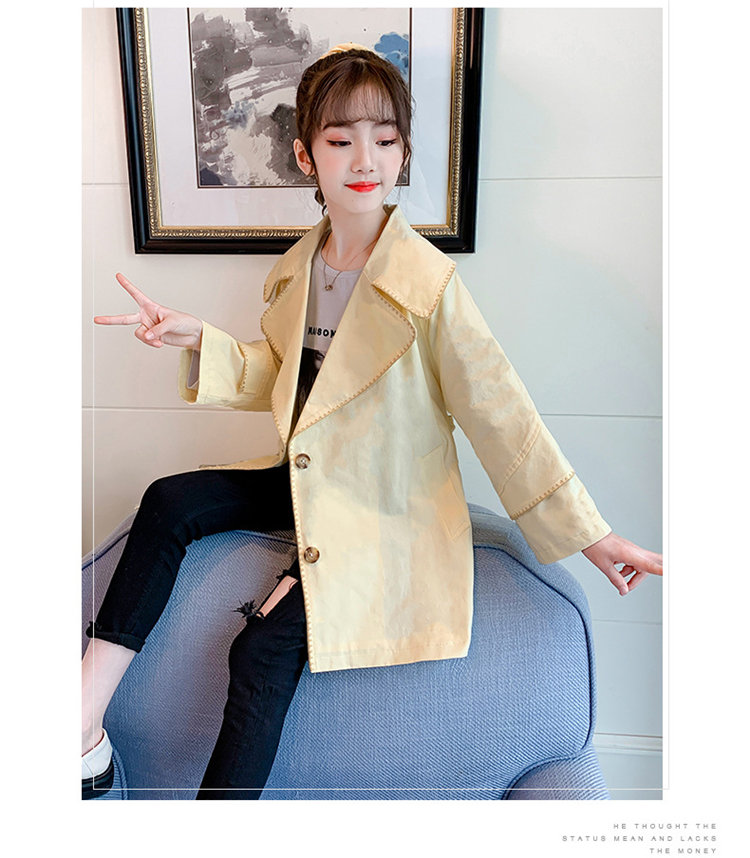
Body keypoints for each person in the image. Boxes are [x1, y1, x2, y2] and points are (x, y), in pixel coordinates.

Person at [83, 43, 663, 800]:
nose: (366, 160)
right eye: (340, 140)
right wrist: (202, 340)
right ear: (305, 156)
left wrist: (592, 534)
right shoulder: (299, 267)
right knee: (169, 499)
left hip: (382, 505)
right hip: (308, 479)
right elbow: (289, 381)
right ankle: (83, 724)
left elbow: (499, 413)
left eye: (386, 140)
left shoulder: (429, 285)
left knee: (262, 653)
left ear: (404, 153)